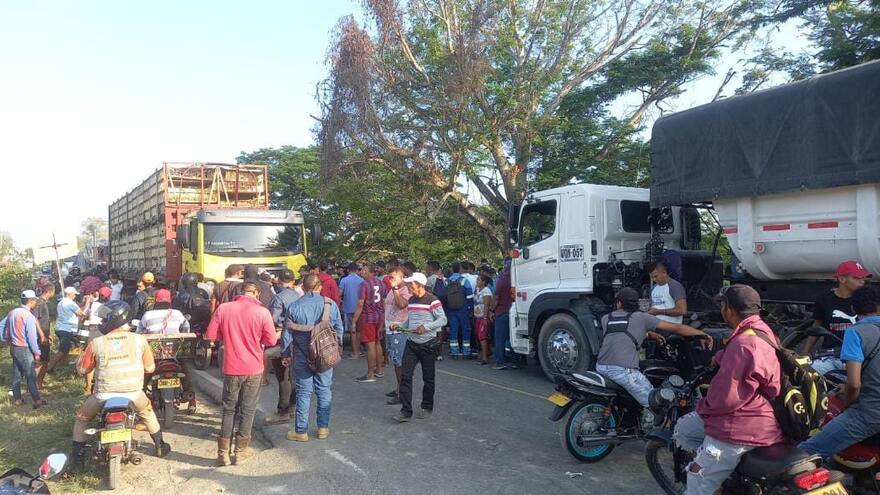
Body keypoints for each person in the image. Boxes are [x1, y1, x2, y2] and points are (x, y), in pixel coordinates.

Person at [672, 285, 783, 495]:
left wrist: (703, 405)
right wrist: (722, 356)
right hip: (767, 419)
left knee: (697, 478)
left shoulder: (743, 344)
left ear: (729, 310)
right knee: (688, 428)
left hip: (739, 427)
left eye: (722, 304)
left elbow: (726, 400)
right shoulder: (762, 331)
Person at [71, 301, 170, 472]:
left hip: (102, 396)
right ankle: (160, 445)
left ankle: (78, 462)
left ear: (113, 319)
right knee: (147, 412)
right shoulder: (140, 340)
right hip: (133, 394)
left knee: (81, 419)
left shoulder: (96, 343)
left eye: (104, 319)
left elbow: (82, 369)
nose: (102, 322)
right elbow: (150, 368)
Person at [596, 288, 711, 427]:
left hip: (601, 366)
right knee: (657, 402)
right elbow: (675, 328)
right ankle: (664, 435)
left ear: (619, 303)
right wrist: (701, 334)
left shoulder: (606, 318)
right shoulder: (642, 317)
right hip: (622, 370)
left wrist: (649, 334)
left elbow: (620, 331)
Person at [800, 285, 880, 459]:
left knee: (804, 453)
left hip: (870, 413)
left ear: (853, 309)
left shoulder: (855, 332)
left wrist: (849, 405)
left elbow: (854, 383)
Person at [206, 282, 277, 466]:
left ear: (239, 293)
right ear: (256, 293)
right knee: (248, 408)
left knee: (229, 409)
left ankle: (223, 453)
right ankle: (241, 451)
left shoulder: (224, 308)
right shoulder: (262, 312)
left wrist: (228, 334)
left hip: (231, 367)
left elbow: (211, 334)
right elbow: (271, 339)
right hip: (253, 367)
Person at [281, 274, 344, 442]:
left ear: (303, 287)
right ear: (319, 287)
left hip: (302, 354)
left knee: (303, 392)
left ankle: (301, 431)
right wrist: (337, 348)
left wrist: (286, 354)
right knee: (324, 390)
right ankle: (323, 428)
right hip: (325, 354)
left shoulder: (294, 307)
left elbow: (287, 333)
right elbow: (339, 329)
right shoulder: (330, 305)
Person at [392, 272, 447, 423]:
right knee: (405, 376)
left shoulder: (432, 300)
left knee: (428, 378)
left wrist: (427, 327)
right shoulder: (411, 300)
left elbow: (443, 319)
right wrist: (400, 326)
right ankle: (405, 411)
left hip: (428, 344)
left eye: (411, 285)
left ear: (420, 285)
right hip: (412, 343)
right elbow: (410, 320)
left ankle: (427, 406)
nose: (409, 288)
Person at [805, 260, 871, 375]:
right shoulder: (824, 299)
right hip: (830, 356)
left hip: (858, 358)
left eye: (863, 278)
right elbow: (816, 326)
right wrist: (805, 352)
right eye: (856, 278)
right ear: (842, 279)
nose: (862, 281)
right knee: (805, 374)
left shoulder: (866, 301)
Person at [137, 288, 197, 413]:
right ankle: (191, 399)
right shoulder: (177, 313)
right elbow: (186, 327)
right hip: (176, 352)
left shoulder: (147, 315)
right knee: (186, 370)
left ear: (155, 301)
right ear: (170, 300)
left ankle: (141, 396)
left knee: (146, 372)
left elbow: (139, 333)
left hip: (155, 353)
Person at [266, 269, 302, 424]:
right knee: (293, 374)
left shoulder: (278, 298)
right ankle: (293, 407)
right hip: (299, 338)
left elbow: (272, 320)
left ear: (279, 281)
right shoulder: (299, 296)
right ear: (293, 281)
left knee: (283, 376)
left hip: (282, 337)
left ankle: (283, 411)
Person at [1, 290, 45, 408]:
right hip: (24, 348)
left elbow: (2, 325)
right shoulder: (28, 316)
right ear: (31, 301)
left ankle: (17, 399)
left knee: (17, 374)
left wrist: (4, 339)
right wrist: (37, 352)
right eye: (35, 300)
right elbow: (31, 337)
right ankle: (37, 400)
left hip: (14, 347)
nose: (36, 302)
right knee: (30, 375)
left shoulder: (12, 312)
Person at [354, 262, 387, 383]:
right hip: (379, 316)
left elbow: (360, 303)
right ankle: (379, 370)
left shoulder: (364, 284)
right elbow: (384, 301)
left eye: (364, 270)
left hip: (368, 317)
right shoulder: (381, 283)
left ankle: (370, 374)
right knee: (377, 343)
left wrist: (354, 321)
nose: (362, 272)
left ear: (370, 272)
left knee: (370, 345)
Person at [383, 267, 410, 405]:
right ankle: (399, 388)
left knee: (399, 362)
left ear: (402, 277)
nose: (390, 279)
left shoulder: (404, 290)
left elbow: (401, 305)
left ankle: (402, 393)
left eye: (393, 277)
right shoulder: (392, 289)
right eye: (389, 277)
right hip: (390, 329)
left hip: (399, 330)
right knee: (395, 361)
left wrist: (395, 289)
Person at [45, 287, 85, 374]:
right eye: (74, 294)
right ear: (70, 294)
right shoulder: (71, 303)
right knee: (62, 350)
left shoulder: (61, 302)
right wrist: (87, 303)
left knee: (67, 349)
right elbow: (81, 313)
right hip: (67, 329)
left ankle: (58, 366)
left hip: (61, 328)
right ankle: (49, 367)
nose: (75, 296)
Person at [82, 286, 113, 394]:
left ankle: (88, 387)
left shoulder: (93, 303)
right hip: (102, 331)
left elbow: (84, 315)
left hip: (91, 331)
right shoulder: (109, 307)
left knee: (91, 358)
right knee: (104, 358)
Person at [446, 261, 475, 358]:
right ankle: (466, 352)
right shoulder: (464, 280)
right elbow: (470, 296)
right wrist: (471, 308)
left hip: (451, 310)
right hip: (463, 309)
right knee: (466, 330)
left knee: (453, 331)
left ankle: (454, 352)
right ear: (460, 269)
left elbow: (445, 296)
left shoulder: (447, 281)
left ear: (452, 269)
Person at [492, 259, 515, 370]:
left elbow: (496, 297)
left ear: (505, 267)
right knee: (512, 338)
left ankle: (500, 361)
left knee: (500, 339)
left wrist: (492, 310)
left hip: (502, 312)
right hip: (515, 312)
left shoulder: (502, 280)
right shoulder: (517, 278)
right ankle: (515, 361)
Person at [338, 262, 365, 358]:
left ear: (348, 270)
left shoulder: (344, 280)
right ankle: (359, 350)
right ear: (357, 270)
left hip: (348, 307)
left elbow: (339, 294)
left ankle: (355, 352)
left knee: (352, 331)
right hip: (360, 308)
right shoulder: (362, 280)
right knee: (358, 330)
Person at [32, 282, 54, 391]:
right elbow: (35, 319)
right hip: (39, 336)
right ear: (49, 291)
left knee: (45, 360)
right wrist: (41, 335)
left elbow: (44, 321)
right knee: (40, 360)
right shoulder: (40, 303)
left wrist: (48, 333)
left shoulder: (43, 303)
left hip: (44, 334)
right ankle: (36, 384)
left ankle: (39, 382)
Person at [473, 274, 494, 365]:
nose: (477, 282)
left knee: (482, 336)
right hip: (477, 316)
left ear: (484, 282)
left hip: (483, 317)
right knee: (478, 335)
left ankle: (485, 358)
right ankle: (487, 352)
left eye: (478, 280)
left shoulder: (486, 291)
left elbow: (486, 305)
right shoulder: (477, 290)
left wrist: (485, 317)